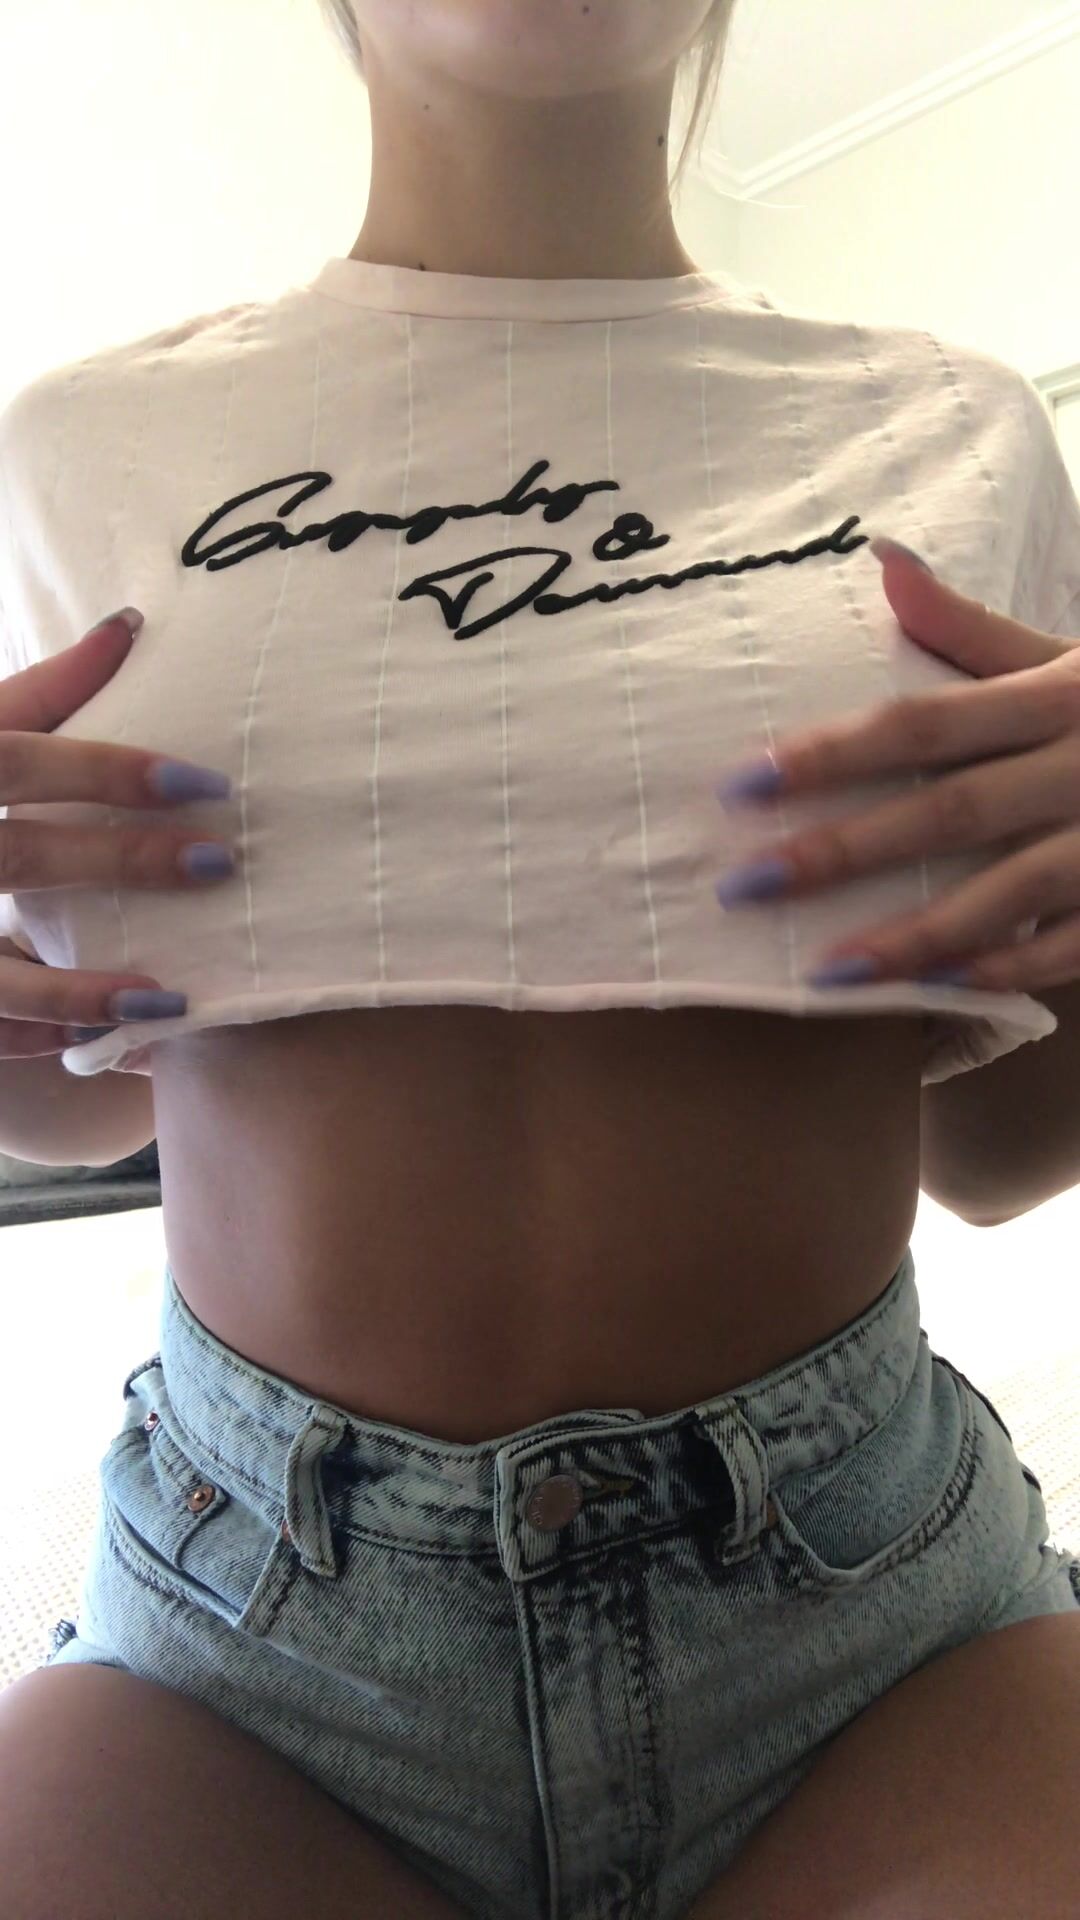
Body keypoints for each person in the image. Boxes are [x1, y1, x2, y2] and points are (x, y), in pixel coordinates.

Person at [0, 6, 1076, 1917]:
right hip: (248, 1669)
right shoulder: (82, 448)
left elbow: (998, 1151)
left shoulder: (960, 428)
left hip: (878, 1638)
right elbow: (68, 1108)